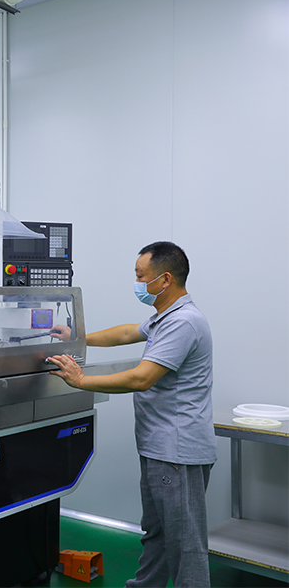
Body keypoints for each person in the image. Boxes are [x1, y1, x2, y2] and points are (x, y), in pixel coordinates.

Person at [47, 241, 215, 587]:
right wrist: (77, 336)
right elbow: (126, 332)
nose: (137, 283)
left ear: (165, 279)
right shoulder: (164, 319)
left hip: (176, 452)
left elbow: (142, 378)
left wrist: (81, 380)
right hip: (160, 447)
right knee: (157, 533)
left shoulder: (183, 323)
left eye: (141, 276)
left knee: (185, 544)